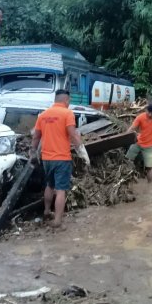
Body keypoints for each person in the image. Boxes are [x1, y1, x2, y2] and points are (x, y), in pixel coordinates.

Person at [29, 89, 90, 228]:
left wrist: (33, 152)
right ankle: (57, 221)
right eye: (69, 101)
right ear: (66, 100)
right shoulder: (67, 113)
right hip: (61, 158)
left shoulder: (43, 115)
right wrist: (82, 152)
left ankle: (46, 211)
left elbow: (36, 136)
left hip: (46, 158)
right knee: (61, 189)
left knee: (49, 185)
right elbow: (73, 135)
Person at [126, 102, 152, 183]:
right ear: (146, 110)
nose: (150, 114)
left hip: (150, 147)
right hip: (138, 143)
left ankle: (149, 185)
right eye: (149, 112)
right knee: (128, 159)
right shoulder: (141, 117)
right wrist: (124, 136)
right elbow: (132, 128)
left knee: (149, 167)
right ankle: (128, 178)